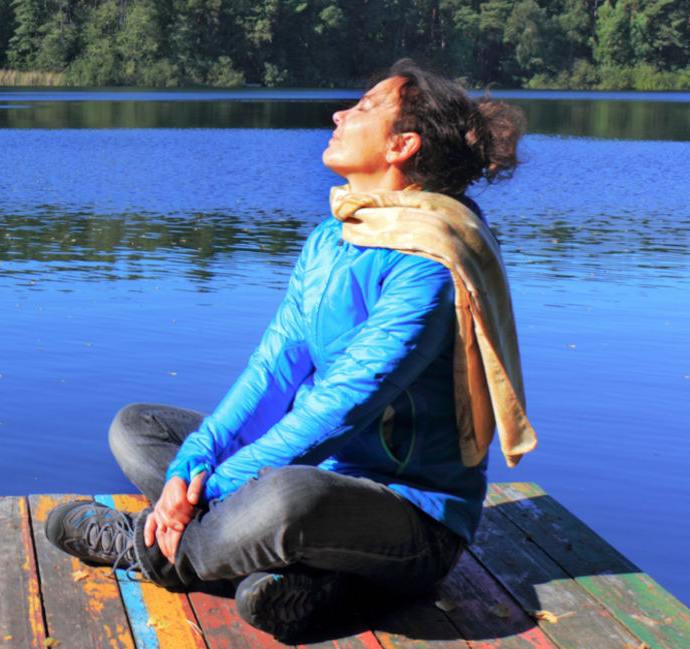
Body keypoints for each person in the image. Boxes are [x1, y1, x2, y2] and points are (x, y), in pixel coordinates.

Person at [44, 58, 538, 641]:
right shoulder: (334, 237)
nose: (339, 113)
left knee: (287, 496)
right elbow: (274, 370)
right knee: (138, 427)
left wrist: (203, 493)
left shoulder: (433, 263)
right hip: (313, 469)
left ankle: (146, 547)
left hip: (409, 516)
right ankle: (304, 577)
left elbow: (341, 406)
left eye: (363, 108)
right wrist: (194, 465)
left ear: (402, 145)